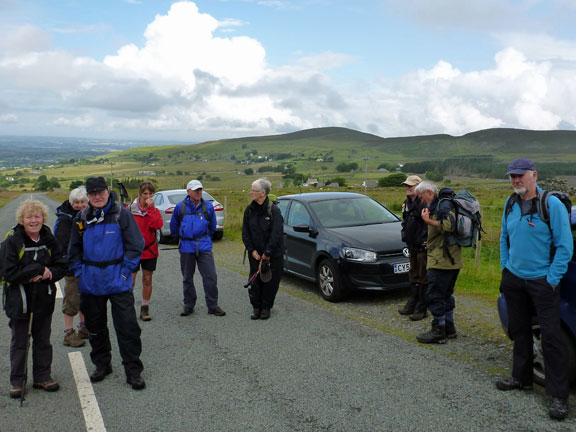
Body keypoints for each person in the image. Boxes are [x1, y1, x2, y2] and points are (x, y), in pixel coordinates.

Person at [496, 158, 573, 420]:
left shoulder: (550, 204)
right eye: (512, 176)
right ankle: (521, 378)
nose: (516, 180)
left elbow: (565, 246)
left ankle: (558, 396)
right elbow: (504, 238)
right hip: (514, 279)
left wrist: (552, 278)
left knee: (551, 338)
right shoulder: (510, 203)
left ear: (534, 175)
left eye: (521, 175)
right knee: (519, 331)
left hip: (542, 281)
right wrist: (506, 267)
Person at [68, 177, 146, 390]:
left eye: (100, 192)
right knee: (95, 327)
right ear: (88, 195)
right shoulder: (82, 218)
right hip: (91, 282)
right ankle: (102, 365)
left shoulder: (122, 214)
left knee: (128, 328)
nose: (97, 196)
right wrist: (79, 272)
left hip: (118, 281)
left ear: (107, 191)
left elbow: (136, 244)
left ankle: (133, 371)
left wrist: (126, 271)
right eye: (93, 193)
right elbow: (73, 250)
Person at [2, 199, 67, 399]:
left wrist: (49, 273)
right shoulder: (13, 240)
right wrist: (37, 270)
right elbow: (7, 272)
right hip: (19, 300)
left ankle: (42, 377)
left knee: (43, 340)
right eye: (29, 217)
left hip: (44, 299)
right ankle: (17, 381)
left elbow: (62, 265)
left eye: (37, 216)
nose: (33, 220)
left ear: (43, 218)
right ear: (22, 219)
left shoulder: (48, 238)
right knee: (20, 341)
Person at [414, 181, 461, 344]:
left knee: (435, 295)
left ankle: (438, 329)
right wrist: (432, 242)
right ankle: (449, 327)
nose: (421, 200)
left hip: (442, 260)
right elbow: (444, 233)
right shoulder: (442, 205)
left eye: (421, 197)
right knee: (446, 294)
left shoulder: (442, 206)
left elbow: (448, 226)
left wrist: (428, 221)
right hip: (450, 258)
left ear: (428, 192)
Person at [170, 179, 225, 317]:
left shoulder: (208, 207)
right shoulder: (180, 207)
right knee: (187, 277)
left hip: (204, 245)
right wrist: (180, 238)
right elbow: (174, 226)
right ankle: (188, 305)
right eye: (195, 190)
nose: (199, 192)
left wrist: (205, 238)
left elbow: (213, 226)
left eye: (200, 189)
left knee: (210, 277)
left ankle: (213, 305)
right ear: (188, 192)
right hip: (186, 247)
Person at [242, 178, 284, 320]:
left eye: (254, 190)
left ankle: (266, 307)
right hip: (255, 254)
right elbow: (245, 232)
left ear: (262, 193)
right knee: (255, 281)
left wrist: (267, 253)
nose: (251, 193)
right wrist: (252, 250)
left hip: (272, 255)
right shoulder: (249, 210)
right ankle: (256, 307)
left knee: (270, 281)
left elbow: (276, 233)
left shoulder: (274, 210)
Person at [54, 187, 89, 347]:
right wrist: (69, 263)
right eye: (77, 202)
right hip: (72, 267)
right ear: (71, 202)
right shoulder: (65, 219)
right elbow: (61, 245)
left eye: (83, 202)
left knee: (85, 298)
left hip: (87, 265)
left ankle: (83, 328)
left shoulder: (89, 215)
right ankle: (68, 333)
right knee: (72, 300)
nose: (80, 205)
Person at [129, 181, 163, 321]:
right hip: (133, 250)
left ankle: (145, 308)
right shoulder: (130, 209)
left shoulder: (153, 210)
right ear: (140, 194)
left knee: (147, 279)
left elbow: (157, 225)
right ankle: (128, 308)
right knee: (130, 280)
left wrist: (151, 210)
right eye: (145, 194)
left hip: (149, 250)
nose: (148, 196)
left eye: (150, 194)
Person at [398, 175, 428, 321]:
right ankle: (413, 302)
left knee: (423, 277)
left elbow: (429, 224)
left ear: (419, 187)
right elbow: (404, 221)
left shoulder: (425, 203)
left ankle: (422, 308)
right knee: (413, 274)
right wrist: (405, 235)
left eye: (410, 185)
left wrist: (425, 241)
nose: (407, 188)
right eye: (406, 185)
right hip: (411, 246)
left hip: (423, 246)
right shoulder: (407, 203)